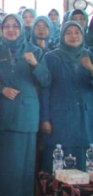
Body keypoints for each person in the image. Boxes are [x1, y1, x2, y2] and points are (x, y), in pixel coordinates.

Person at [0, 14, 50, 196]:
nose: (11, 30)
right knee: (0, 158)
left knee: (23, 159)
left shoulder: (35, 51)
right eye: (7, 26)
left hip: (26, 113)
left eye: (15, 26)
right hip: (2, 111)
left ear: (21, 29)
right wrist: (2, 89)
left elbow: (46, 81)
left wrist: (35, 64)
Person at [40, 21, 93, 172]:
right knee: (58, 161)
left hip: (85, 118)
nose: (73, 36)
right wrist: (45, 119)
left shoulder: (89, 56)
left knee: (85, 163)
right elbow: (45, 89)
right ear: (62, 36)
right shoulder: (51, 57)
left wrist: (90, 68)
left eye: (77, 32)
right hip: (60, 118)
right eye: (68, 33)